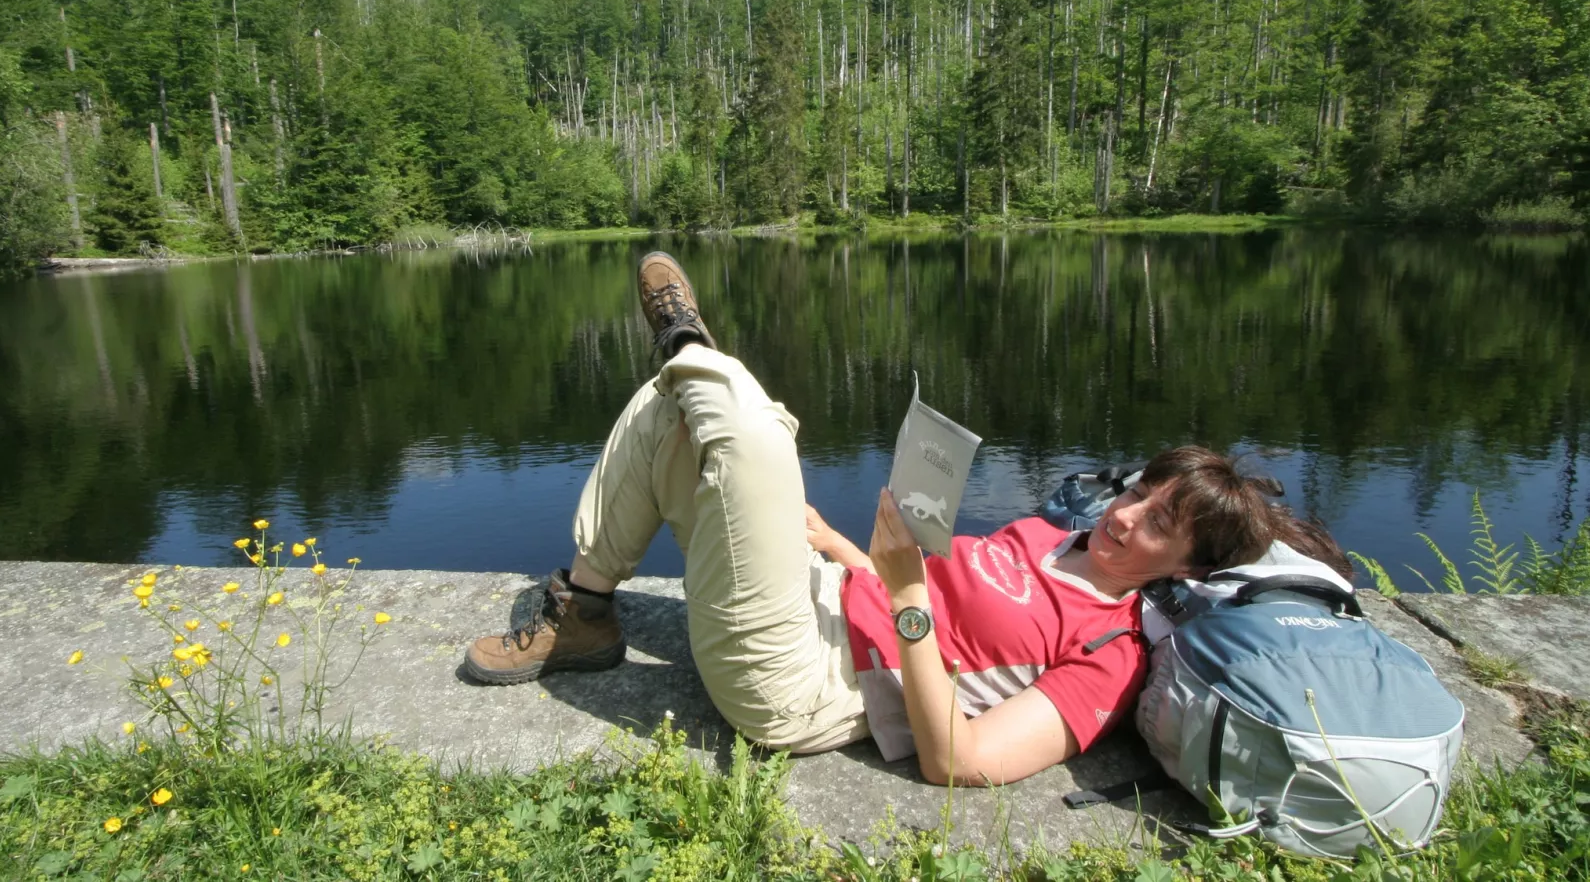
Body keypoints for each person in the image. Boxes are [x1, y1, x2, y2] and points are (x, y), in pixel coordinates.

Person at [463, 252, 1352, 786]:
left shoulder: (1112, 653)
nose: (1126, 519)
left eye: (1160, 525)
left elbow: (957, 763)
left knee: (754, 433)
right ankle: (582, 610)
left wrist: (901, 590)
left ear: (1183, 570)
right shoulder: (1055, 535)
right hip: (818, 595)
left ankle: (694, 342)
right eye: (1139, 494)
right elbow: (935, 585)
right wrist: (846, 547)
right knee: (674, 419)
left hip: (806, 684)